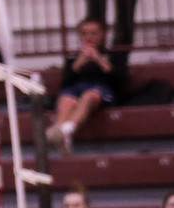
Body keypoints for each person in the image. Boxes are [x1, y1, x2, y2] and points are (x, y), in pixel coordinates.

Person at [47, 17, 126, 155]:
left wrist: (99, 60)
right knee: (66, 98)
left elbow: (120, 80)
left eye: (93, 33)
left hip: (101, 91)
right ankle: (62, 136)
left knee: (89, 95)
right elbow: (65, 82)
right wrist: (79, 62)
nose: (89, 37)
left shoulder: (113, 55)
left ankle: (66, 129)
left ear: (102, 35)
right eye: (84, 33)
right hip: (76, 90)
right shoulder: (73, 58)